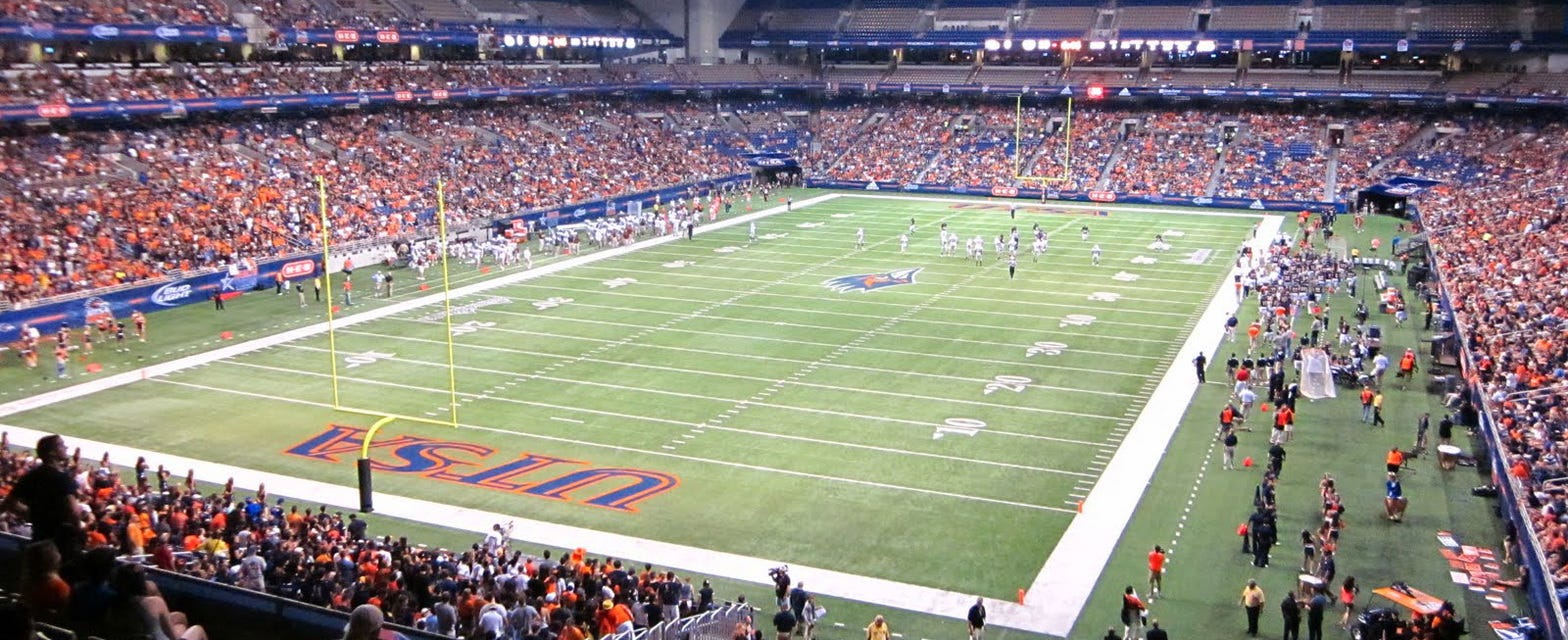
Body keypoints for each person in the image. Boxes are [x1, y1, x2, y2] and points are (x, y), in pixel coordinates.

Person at [0, 435, 83, 562]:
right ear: (52, 453)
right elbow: (74, 512)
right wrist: (79, 533)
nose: (66, 447)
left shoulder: (31, 476)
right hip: (62, 544)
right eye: (61, 445)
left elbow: (9, 503)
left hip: (39, 538)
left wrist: (32, 514)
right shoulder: (61, 478)